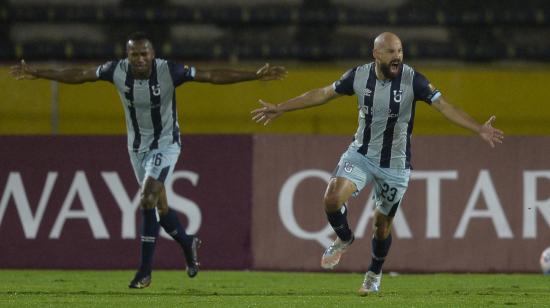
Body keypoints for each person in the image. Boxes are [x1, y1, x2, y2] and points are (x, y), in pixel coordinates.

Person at [10, 32, 286, 289]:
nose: (140, 59)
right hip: (136, 148)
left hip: (166, 145)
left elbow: (211, 76)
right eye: (134, 55)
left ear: (152, 55)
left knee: (147, 197)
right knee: (161, 207)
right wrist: (38, 73)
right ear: (127, 56)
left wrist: (253, 76)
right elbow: (80, 75)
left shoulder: (169, 70)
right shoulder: (115, 70)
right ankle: (187, 242)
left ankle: (144, 270)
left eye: (144, 54)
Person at [251, 32, 503, 295]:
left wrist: (477, 128)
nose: (398, 57)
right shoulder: (358, 76)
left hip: (395, 165)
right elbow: (323, 93)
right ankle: (344, 238)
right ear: (376, 54)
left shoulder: (413, 79)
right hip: (361, 154)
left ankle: (374, 273)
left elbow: (444, 106)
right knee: (332, 199)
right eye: (392, 52)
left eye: (400, 51)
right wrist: (282, 107)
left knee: (381, 226)